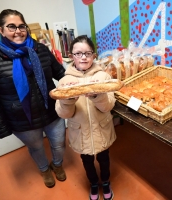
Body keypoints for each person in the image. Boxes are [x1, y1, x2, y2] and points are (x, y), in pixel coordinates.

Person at [0, 9, 66, 188]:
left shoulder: (40, 49)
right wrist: (1, 126)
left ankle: (57, 165)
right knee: (36, 148)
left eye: (21, 26)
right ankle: (44, 169)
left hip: (51, 109)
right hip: (22, 118)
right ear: (1, 30)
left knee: (59, 143)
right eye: (11, 27)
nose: (18, 31)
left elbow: (60, 73)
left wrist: (78, 84)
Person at [55, 35, 116, 200]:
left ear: (93, 55)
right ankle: (94, 184)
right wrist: (68, 100)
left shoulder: (103, 77)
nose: (83, 57)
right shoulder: (65, 81)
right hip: (80, 132)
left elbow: (108, 105)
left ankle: (105, 182)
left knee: (104, 159)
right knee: (87, 161)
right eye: (78, 53)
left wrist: (97, 96)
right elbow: (63, 113)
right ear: (71, 56)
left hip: (101, 129)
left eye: (87, 53)